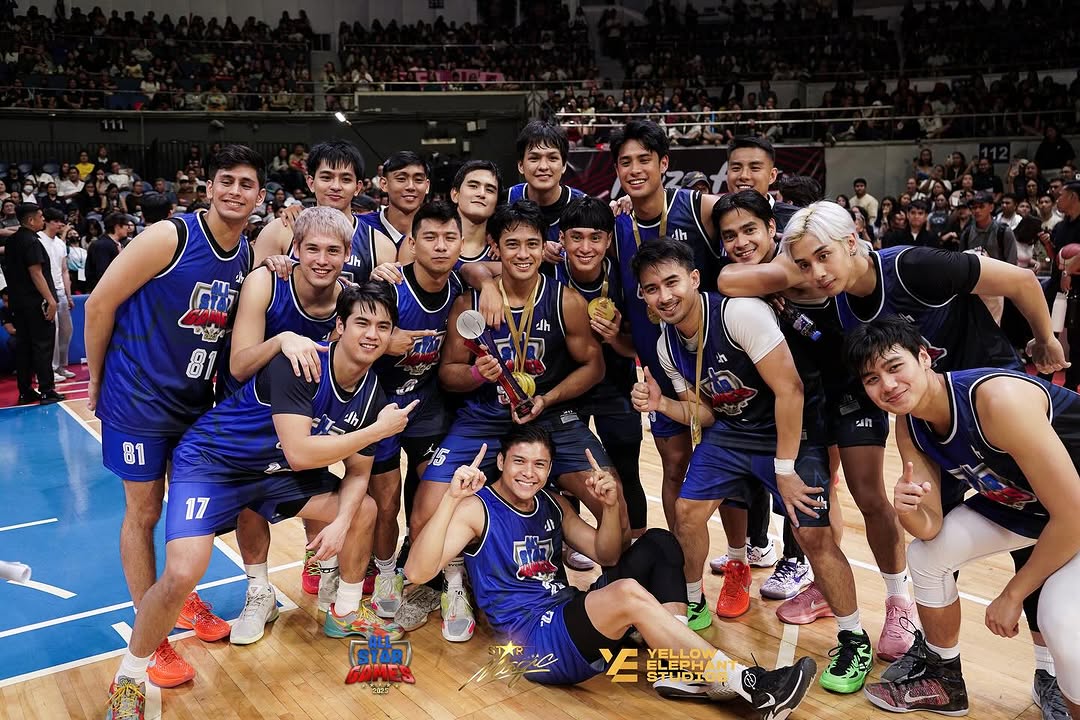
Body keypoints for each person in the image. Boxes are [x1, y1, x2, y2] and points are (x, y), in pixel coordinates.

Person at [105, 283, 413, 720]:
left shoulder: (373, 394)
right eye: (361, 322)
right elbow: (300, 452)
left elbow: (359, 472)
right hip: (214, 465)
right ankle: (130, 676)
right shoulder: (302, 367)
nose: (372, 334)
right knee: (183, 570)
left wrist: (342, 523)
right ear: (339, 327)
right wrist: (377, 432)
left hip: (274, 476)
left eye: (383, 327)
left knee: (361, 509)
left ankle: (343, 611)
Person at [404, 424, 818, 716]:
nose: (529, 473)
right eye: (519, 462)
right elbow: (419, 572)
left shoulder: (550, 503)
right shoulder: (477, 509)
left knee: (658, 541)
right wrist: (451, 500)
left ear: (550, 470)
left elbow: (607, 553)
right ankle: (749, 684)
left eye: (540, 465)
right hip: (535, 644)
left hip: (574, 623)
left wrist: (613, 503)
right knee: (624, 596)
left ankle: (674, 669)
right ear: (500, 461)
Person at [632, 235, 871, 693]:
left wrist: (785, 469)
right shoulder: (667, 345)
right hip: (731, 434)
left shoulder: (738, 313)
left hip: (790, 431)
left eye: (671, 282)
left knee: (812, 534)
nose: (664, 296)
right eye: (650, 288)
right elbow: (703, 413)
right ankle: (693, 599)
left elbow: (791, 390)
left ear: (694, 279)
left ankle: (853, 635)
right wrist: (662, 404)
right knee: (686, 512)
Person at [86, 145, 265, 690]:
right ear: (207, 188)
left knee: (187, 512)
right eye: (225, 181)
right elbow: (98, 304)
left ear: (260, 197)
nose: (235, 191)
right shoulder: (171, 237)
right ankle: (152, 633)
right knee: (143, 511)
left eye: (246, 184)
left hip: (194, 403)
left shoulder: (249, 256)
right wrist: (96, 380)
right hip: (136, 399)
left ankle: (176, 599)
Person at [848, 318, 1079, 719]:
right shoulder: (909, 424)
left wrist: (1012, 594)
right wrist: (908, 508)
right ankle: (944, 684)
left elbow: (1074, 515)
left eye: (894, 366)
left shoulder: (997, 400)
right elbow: (931, 525)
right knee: (926, 557)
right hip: (1033, 507)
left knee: (1060, 621)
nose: (886, 385)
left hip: (1071, 510)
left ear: (924, 357)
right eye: (871, 379)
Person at [416, 200, 622, 643]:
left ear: (543, 246)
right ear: (495, 247)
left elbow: (594, 367)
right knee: (427, 510)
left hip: (550, 416)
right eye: (512, 244)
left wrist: (547, 396)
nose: (523, 254)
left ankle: (609, 587)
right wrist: (475, 374)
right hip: (486, 418)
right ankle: (455, 587)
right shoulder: (471, 302)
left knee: (609, 495)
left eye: (532, 243)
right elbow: (449, 375)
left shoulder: (563, 299)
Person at [608, 119, 722, 536]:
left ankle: (738, 558)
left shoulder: (699, 208)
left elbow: (760, 223)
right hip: (659, 368)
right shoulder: (616, 226)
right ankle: (679, 559)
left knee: (729, 472)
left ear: (663, 163)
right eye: (625, 162)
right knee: (674, 467)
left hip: (714, 359)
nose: (635, 170)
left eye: (644, 160)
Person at [364, 200, 465, 630]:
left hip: (427, 408)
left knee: (437, 493)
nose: (440, 247)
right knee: (386, 503)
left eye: (449, 238)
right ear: (412, 242)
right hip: (378, 406)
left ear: (461, 243)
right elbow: (341, 335)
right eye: (430, 237)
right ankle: (386, 577)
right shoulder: (388, 288)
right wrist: (382, 340)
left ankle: (441, 574)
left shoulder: (461, 288)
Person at [550, 197, 646, 544]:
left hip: (615, 388)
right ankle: (575, 543)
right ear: (562, 239)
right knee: (567, 470)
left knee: (625, 469)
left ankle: (636, 545)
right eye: (576, 237)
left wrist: (616, 338)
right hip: (565, 390)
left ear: (608, 240)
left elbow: (640, 346)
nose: (585, 247)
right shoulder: (548, 276)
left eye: (595, 238)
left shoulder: (627, 278)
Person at [255, 140, 397, 284]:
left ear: (358, 187)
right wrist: (265, 268)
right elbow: (253, 288)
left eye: (346, 179)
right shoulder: (279, 231)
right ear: (311, 182)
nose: (335, 186)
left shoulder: (380, 245)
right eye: (326, 177)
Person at [5, 203, 62, 404]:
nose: (43, 220)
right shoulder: (31, 242)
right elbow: (36, 272)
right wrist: (50, 300)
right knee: (42, 346)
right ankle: (47, 390)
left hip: (18, 304)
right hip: (36, 303)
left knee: (24, 347)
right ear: (31, 220)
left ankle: (25, 389)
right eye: (40, 216)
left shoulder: (12, 242)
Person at [505, 120, 585, 242]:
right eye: (534, 158)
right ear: (521, 165)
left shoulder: (583, 206)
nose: (543, 166)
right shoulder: (505, 200)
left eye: (552, 158)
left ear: (564, 165)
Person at [357, 150, 431, 257]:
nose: (411, 186)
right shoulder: (360, 227)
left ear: (427, 186)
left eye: (418, 180)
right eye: (401, 179)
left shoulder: (439, 231)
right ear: (384, 184)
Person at [36, 208, 73, 380]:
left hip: (60, 291)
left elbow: (65, 270)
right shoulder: (38, 240)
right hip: (46, 291)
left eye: (61, 221)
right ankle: (48, 368)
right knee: (52, 331)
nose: (60, 224)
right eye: (57, 221)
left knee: (66, 330)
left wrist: (69, 294)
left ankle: (60, 366)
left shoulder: (60, 243)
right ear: (47, 221)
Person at [449, 160, 501, 267]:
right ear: (455, 195)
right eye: (473, 186)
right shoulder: (429, 244)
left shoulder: (502, 253)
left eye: (490, 190)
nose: (482, 194)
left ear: (496, 203)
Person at [85, 214, 129, 291]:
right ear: (118, 226)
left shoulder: (117, 244)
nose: (128, 228)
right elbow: (102, 272)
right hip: (105, 291)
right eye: (126, 225)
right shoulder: (102, 245)